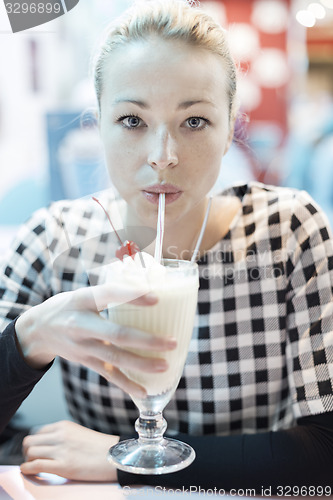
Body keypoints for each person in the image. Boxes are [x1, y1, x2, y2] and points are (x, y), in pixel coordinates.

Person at [0, 0, 332, 492]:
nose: (162, 157)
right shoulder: (55, 240)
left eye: (194, 121)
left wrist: (123, 460)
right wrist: (28, 340)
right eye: (132, 121)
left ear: (228, 130)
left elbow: (324, 452)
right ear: (98, 123)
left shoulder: (288, 231)